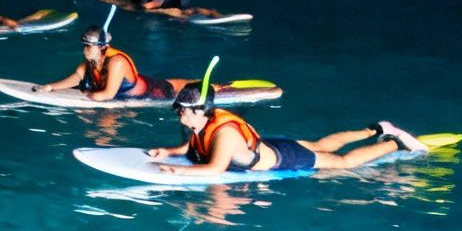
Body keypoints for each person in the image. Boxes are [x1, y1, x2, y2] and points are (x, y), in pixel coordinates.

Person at [147, 85, 429, 176]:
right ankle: (374, 129)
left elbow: (216, 168)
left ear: (198, 110)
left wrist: (178, 170)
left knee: (342, 163)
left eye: (181, 109)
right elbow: (196, 145)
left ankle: (395, 142)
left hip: (285, 158)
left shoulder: (225, 133)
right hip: (269, 146)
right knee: (320, 143)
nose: (177, 112)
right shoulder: (202, 123)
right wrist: (170, 152)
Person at [32, 25, 178, 101]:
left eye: (89, 46)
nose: (85, 50)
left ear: (103, 47)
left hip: (158, 93)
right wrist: (51, 87)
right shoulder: (93, 61)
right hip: (127, 95)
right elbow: (77, 76)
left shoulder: (117, 62)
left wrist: (85, 97)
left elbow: (107, 95)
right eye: (85, 45)